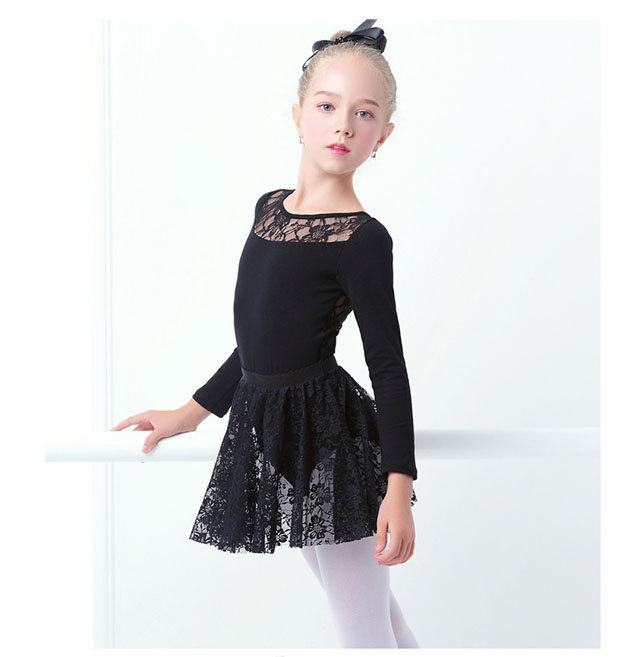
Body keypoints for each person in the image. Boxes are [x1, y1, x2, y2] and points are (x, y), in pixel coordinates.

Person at [112, 18, 420, 649]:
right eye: (328, 106)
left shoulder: (363, 239)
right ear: (298, 116)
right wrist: (191, 412)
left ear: (382, 136)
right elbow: (259, 342)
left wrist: (399, 485)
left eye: (363, 114)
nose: (343, 126)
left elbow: (387, 365)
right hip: (280, 436)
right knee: (375, 624)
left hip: (331, 444)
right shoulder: (269, 209)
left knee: (362, 633)